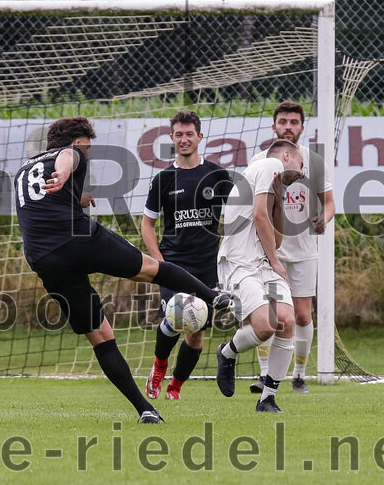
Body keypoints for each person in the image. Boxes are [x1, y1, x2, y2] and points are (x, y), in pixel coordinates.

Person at [15, 117, 236, 424]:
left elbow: (42, 203)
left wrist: (77, 196)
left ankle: (145, 408)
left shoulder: (23, 171)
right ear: (78, 142)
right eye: (88, 148)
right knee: (152, 268)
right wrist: (64, 175)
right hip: (77, 239)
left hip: (43, 259)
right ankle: (213, 297)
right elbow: (67, 160)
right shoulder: (71, 153)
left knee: (101, 336)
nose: (88, 154)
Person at [142, 111, 234, 400]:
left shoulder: (218, 176)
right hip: (174, 263)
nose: (184, 139)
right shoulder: (164, 179)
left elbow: (238, 215)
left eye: (189, 134)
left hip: (207, 266)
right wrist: (160, 262)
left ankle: (176, 387)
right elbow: (148, 224)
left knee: (196, 333)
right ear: (171, 138)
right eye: (178, 135)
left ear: (200, 137)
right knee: (176, 318)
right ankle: (159, 368)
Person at [249, 101, 335, 394]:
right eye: (283, 121)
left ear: (301, 126)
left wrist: (324, 218)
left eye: (294, 122)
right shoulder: (260, 161)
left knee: (302, 316)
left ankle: (299, 375)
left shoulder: (315, 161)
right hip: (270, 251)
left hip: (303, 250)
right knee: (269, 315)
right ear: (274, 126)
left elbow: (330, 202)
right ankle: (264, 375)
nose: (288, 127)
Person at [214, 139, 304, 413]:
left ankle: (267, 398)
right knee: (265, 326)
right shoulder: (268, 164)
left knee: (287, 321)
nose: (301, 174)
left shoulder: (273, 182)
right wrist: (276, 264)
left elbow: (275, 239)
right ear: (287, 155)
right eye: (300, 166)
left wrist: (280, 202)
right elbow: (258, 216)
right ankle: (227, 352)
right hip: (240, 263)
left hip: (262, 263)